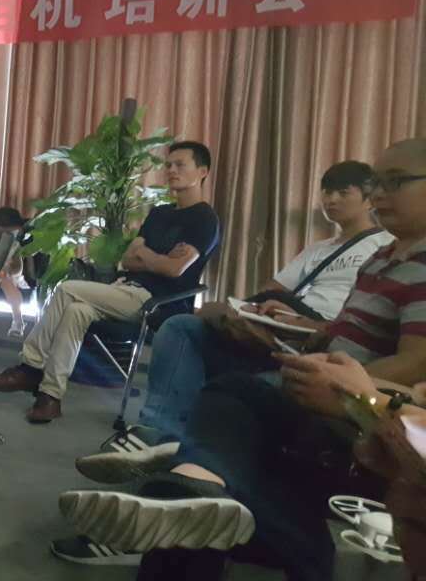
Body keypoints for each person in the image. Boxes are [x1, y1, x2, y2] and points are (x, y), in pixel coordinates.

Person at [60, 138, 426, 580]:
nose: (380, 193)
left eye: (395, 182)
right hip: (315, 369)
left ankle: (179, 465)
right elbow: (339, 331)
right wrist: (281, 330)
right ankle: (186, 473)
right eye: (377, 182)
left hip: (355, 414)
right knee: (193, 340)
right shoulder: (385, 258)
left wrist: (347, 391)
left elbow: (414, 363)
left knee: (231, 403)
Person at [126, 161, 390, 445]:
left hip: (325, 335)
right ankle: (160, 431)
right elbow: (272, 290)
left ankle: (188, 442)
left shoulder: (384, 247)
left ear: (369, 199)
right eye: (327, 192)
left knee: (237, 383)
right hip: (284, 326)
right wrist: (257, 311)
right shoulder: (318, 249)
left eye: (343, 192)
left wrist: (303, 322)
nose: (331, 199)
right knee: (181, 326)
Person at [0, 142, 221, 424]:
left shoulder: (205, 219)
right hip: (126, 290)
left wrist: (145, 253)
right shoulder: (160, 213)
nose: (171, 170)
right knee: (76, 311)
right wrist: (152, 257)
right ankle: (50, 396)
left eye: (180, 165)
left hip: (158, 302)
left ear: (202, 171)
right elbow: (128, 260)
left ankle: (30, 367)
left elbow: (174, 269)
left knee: (66, 289)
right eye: (168, 165)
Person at [0, 206, 31, 338]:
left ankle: (18, 320)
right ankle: (18, 320)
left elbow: (17, 268)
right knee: (4, 279)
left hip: (10, 275)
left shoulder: (14, 244)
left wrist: (8, 268)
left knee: (6, 281)